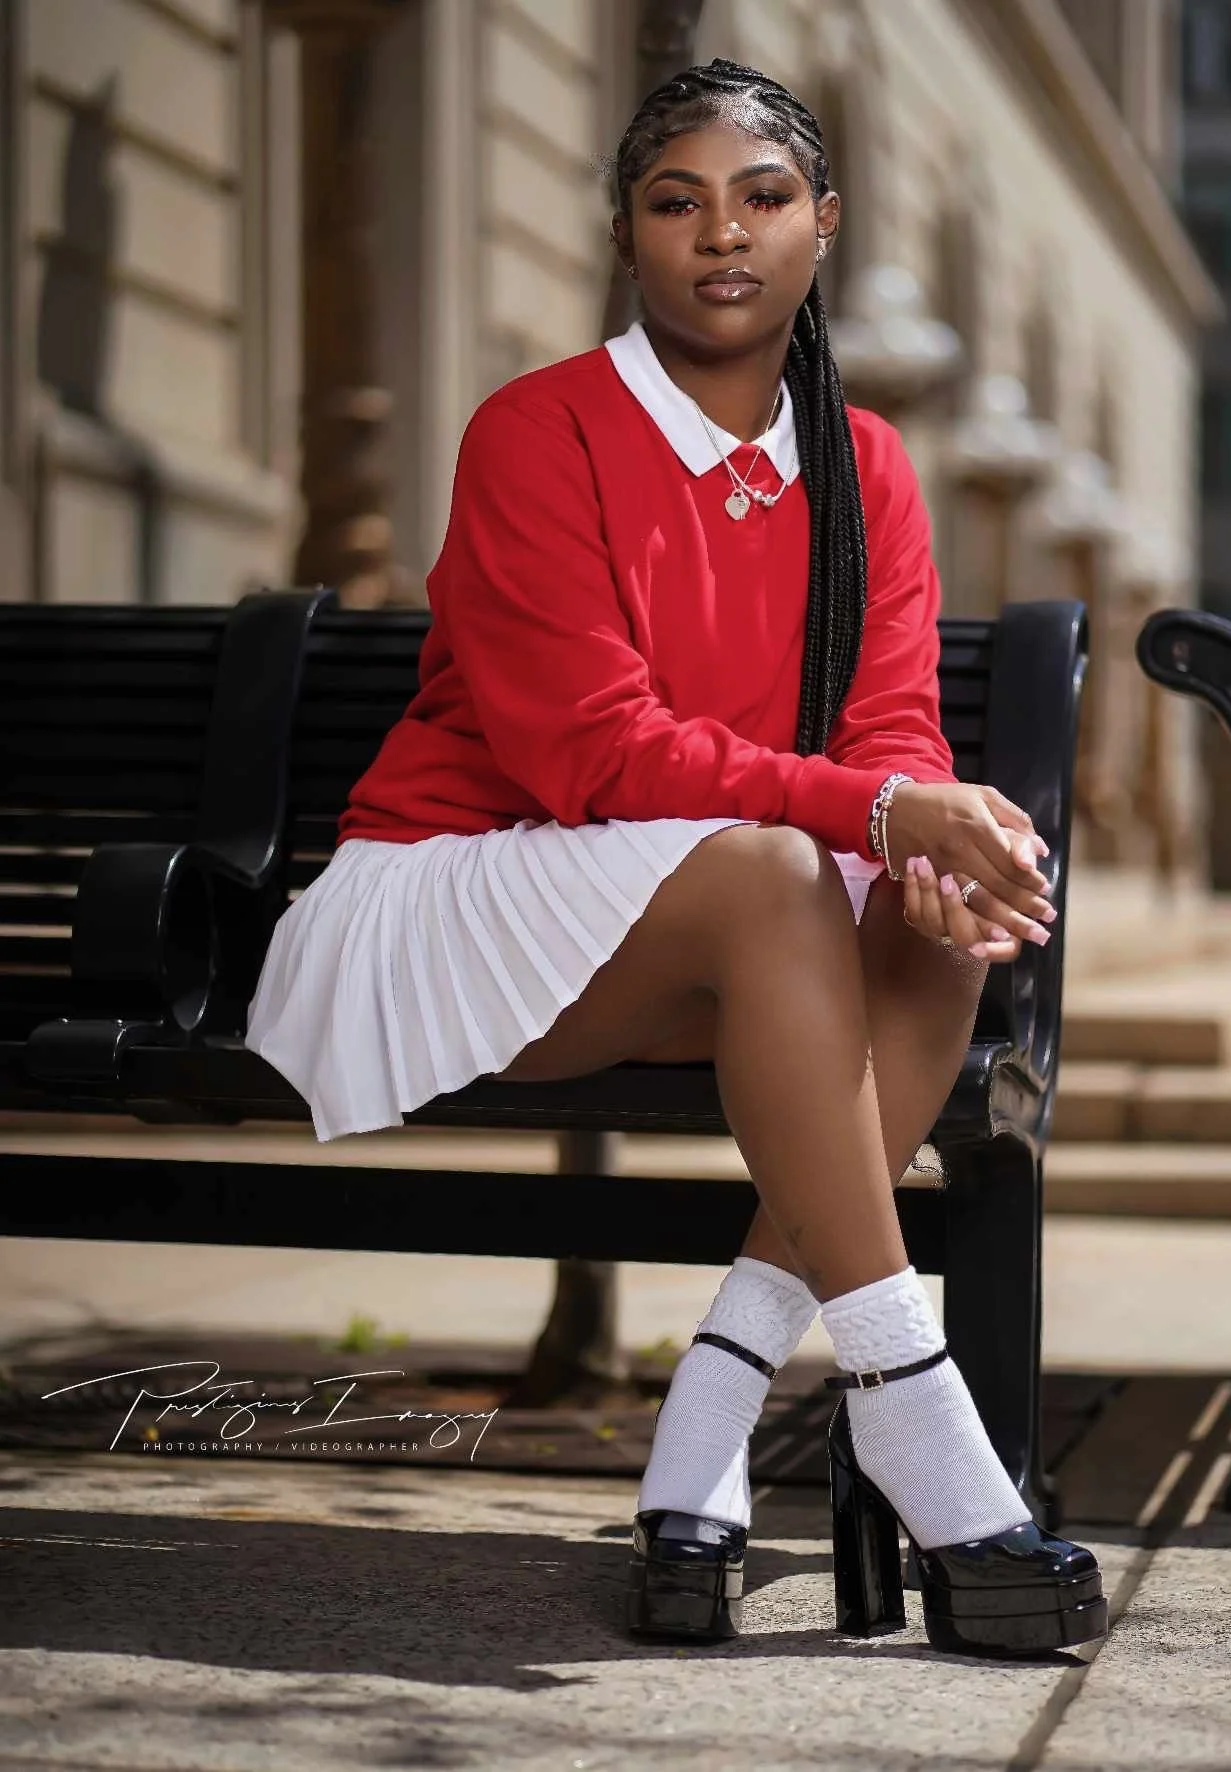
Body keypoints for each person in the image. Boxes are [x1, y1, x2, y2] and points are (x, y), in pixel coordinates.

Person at [245, 57, 1107, 1658]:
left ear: (823, 223)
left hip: (722, 911)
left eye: (763, 198)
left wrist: (929, 827)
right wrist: (873, 814)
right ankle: (924, 1431)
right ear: (628, 235)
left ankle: (706, 1427)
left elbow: (890, 722)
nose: (723, 234)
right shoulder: (540, 430)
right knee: (786, 872)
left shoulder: (867, 465)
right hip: (469, 888)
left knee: (937, 920)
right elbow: (591, 751)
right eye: (676, 202)